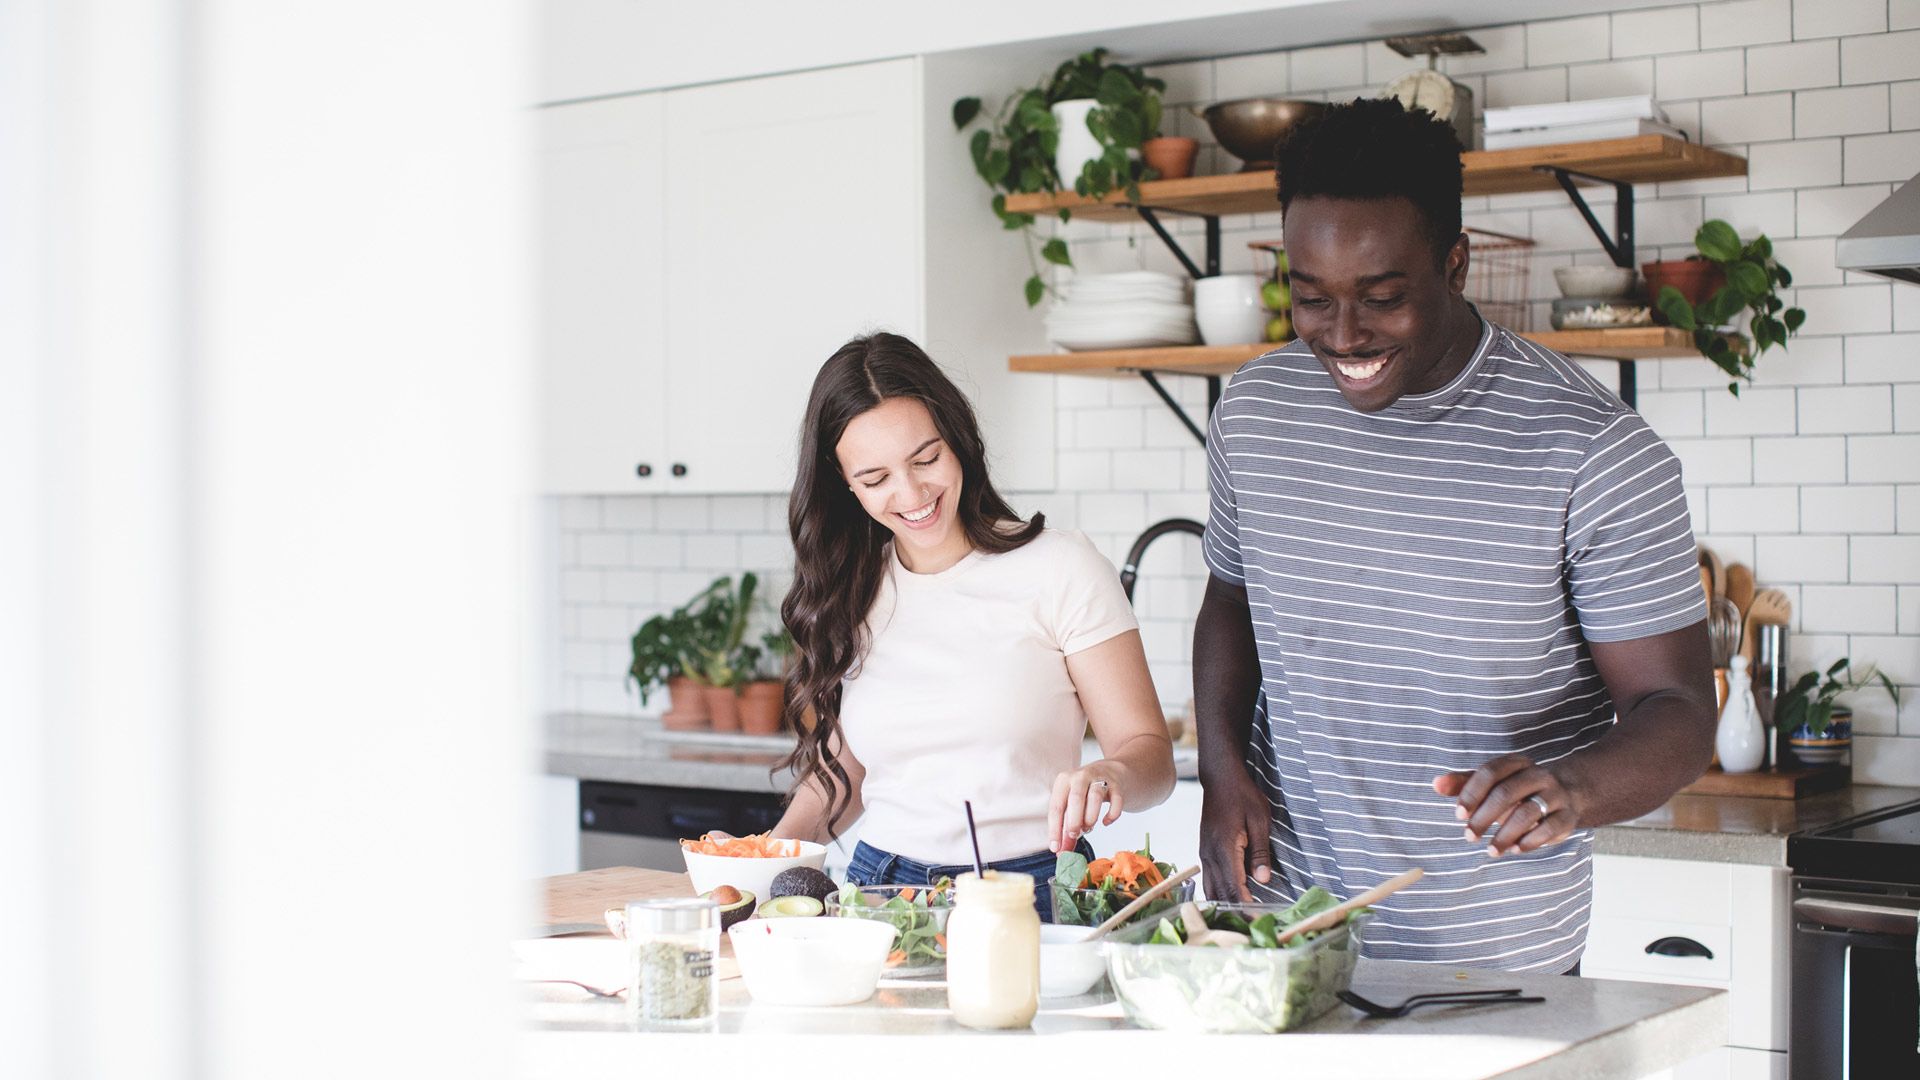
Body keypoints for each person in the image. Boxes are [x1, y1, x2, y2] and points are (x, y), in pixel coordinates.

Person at [1193, 98, 1715, 974]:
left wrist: (1572, 788)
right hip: (1277, 930)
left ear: (1457, 262)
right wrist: (1221, 769)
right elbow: (1230, 602)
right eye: (1311, 299)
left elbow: (1681, 714)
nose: (1344, 336)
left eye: (1384, 297)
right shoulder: (1254, 410)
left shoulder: (1592, 450)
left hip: (1492, 956)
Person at [771, 332, 1177, 918]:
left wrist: (1111, 773)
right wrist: (764, 860)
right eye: (875, 478)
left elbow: (1152, 759)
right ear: (845, 484)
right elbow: (849, 772)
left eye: (926, 458)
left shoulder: (1060, 567)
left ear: (958, 440)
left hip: (1029, 891)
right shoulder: (853, 588)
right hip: (880, 895)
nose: (911, 494)